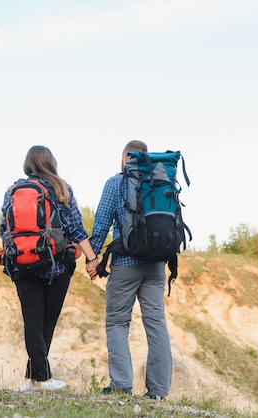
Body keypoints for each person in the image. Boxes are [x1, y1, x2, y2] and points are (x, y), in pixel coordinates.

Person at [0, 145, 98, 391]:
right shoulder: (61, 188)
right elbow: (76, 229)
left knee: (32, 321)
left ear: (28, 164)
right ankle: (44, 379)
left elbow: (4, 229)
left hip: (21, 264)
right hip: (57, 267)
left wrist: (20, 251)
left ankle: (31, 379)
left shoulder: (13, 191)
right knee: (45, 324)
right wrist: (91, 259)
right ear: (51, 163)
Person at [86, 140, 172, 399]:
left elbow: (101, 221)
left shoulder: (116, 182)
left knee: (117, 322)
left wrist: (93, 258)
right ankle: (157, 390)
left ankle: (121, 384)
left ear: (126, 157)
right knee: (156, 323)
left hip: (125, 264)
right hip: (157, 264)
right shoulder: (160, 181)